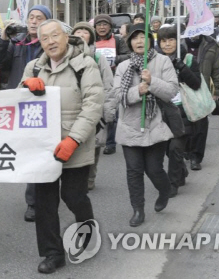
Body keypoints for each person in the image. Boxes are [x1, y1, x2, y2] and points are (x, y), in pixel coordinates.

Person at [20, 19, 104, 274]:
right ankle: (52, 253)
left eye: (55, 35)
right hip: (43, 148)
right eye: (44, 38)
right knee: (45, 203)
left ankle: (86, 227)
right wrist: (25, 87)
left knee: (73, 195)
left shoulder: (85, 65)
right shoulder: (33, 67)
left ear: (66, 36)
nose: (50, 42)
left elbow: (93, 104)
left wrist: (73, 139)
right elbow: (16, 102)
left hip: (74, 146)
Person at [0, 4, 52, 222]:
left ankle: (39, 198)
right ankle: (37, 198)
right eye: (31, 17)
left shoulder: (51, 44)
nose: (34, 21)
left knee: (42, 153)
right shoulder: (17, 43)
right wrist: (3, 39)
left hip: (44, 105)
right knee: (27, 152)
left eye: (39, 17)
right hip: (18, 104)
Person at [113, 23, 178, 227]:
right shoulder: (123, 66)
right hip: (129, 126)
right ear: (129, 42)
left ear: (151, 39)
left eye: (143, 36)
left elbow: (172, 91)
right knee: (134, 170)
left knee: (154, 169)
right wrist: (136, 92)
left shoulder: (162, 61)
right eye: (135, 37)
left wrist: (152, 82)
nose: (139, 41)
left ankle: (164, 189)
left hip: (155, 124)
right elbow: (116, 95)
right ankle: (138, 209)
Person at [157, 25, 201, 197]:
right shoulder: (154, 61)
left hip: (181, 112)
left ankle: (172, 184)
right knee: (167, 149)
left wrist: (182, 67)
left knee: (176, 148)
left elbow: (196, 84)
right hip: (161, 112)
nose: (167, 44)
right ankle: (180, 170)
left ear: (177, 41)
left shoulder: (188, 59)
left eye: (171, 40)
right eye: (163, 41)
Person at [71, 21, 116, 191]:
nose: (81, 34)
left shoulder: (98, 57)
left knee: (94, 146)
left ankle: (90, 177)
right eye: (78, 31)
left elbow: (108, 85)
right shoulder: (66, 55)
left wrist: (108, 112)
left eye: (85, 31)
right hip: (73, 108)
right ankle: (75, 178)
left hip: (95, 109)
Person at [184, 29, 219, 171]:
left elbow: (217, 70)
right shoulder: (178, 42)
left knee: (200, 126)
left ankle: (196, 157)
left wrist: (216, 91)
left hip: (202, 90)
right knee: (184, 124)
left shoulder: (212, 45)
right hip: (182, 90)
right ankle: (186, 150)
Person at [94, 14, 129, 155]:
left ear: (110, 26)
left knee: (111, 111)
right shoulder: (92, 41)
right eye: (99, 25)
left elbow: (128, 55)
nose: (102, 27)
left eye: (105, 24)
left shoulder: (118, 40)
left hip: (113, 78)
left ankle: (110, 143)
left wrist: (115, 58)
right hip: (95, 79)